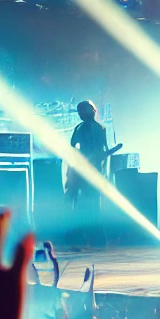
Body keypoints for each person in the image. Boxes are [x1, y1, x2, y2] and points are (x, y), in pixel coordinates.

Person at [66, 100, 119, 247]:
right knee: (91, 204)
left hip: (86, 170)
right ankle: (95, 238)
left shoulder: (83, 128)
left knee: (85, 203)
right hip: (90, 170)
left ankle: (87, 237)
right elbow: (103, 150)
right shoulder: (97, 128)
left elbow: (73, 146)